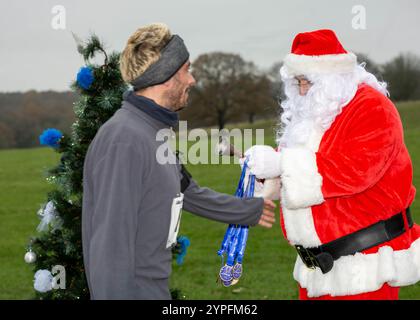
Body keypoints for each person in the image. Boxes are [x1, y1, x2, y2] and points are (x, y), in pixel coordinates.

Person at [81, 23, 276, 300]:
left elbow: (186, 191)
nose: (192, 80)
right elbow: (110, 248)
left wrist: (245, 210)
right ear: (166, 76)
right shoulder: (124, 140)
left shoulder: (152, 132)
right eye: (186, 69)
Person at [245, 29, 420, 300]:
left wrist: (281, 163)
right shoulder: (314, 113)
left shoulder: (371, 107)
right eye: (298, 82)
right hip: (319, 266)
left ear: (333, 76)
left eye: (308, 81)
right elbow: (304, 166)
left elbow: (356, 171)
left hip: (366, 264)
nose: (302, 90)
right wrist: (267, 177)